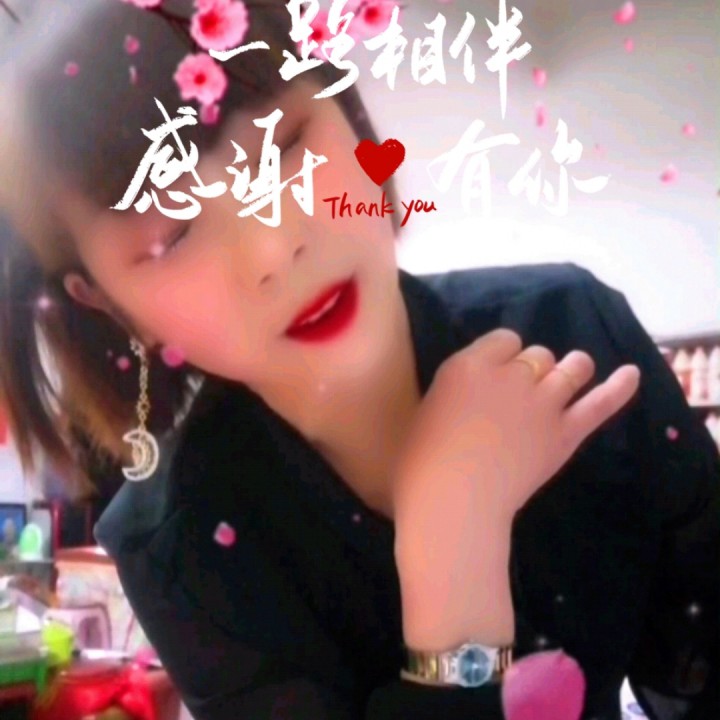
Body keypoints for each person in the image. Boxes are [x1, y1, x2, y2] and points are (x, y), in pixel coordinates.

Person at [0, 2, 717, 719]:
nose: (275, 245)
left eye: (285, 147)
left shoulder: (570, 332)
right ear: (108, 303)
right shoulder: (180, 550)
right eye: (174, 234)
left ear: (343, 108)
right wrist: (453, 555)